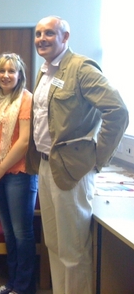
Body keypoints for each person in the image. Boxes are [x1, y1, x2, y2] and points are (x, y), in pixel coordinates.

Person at [26, 16, 128, 294]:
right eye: (38, 34)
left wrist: (97, 159)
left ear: (65, 37)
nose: (42, 39)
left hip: (72, 169)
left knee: (73, 251)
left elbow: (117, 112)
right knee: (55, 245)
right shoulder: (45, 70)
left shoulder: (81, 69)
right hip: (46, 166)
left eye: (49, 33)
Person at [0, 53, 37, 294]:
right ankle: (12, 282)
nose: (6, 75)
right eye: (2, 71)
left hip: (18, 173)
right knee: (8, 232)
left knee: (21, 233)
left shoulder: (26, 99)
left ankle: (24, 287)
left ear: (20, 74)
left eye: (11, 71)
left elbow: (25, 141)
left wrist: (1, 168)